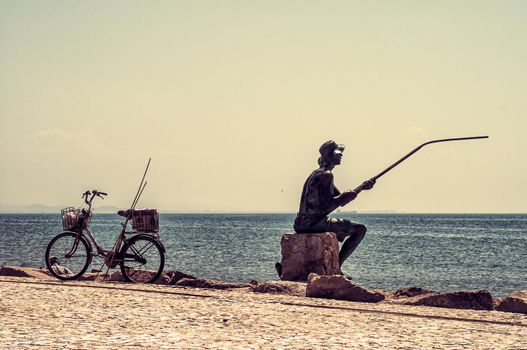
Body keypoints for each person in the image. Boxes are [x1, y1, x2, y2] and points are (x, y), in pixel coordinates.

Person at [293, 140, 375, 267]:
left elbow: (338, 198)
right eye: (338, 153)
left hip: (302, 222)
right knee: (360, 229)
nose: (341, 155)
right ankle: (338, 266)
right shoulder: (326, 176)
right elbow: (329, 206)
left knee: (355, 227)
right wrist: (346, 196)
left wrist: (361, 189)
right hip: (313, 223)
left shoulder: (318, 173)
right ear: (330, 156)